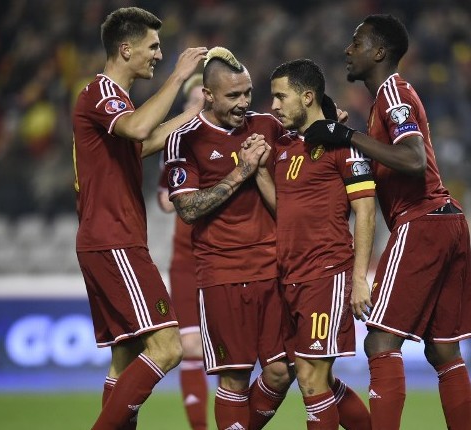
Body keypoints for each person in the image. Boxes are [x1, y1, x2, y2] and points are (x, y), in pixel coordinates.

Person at [304, 14, 471, 429]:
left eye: (356, 42)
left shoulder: (393, 94)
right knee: (442, 351)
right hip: (448, 222)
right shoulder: (391, 98)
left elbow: (413, 160)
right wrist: (350, 137)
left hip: (422, 220)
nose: (348, 50)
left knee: (381, 340)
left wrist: (348, 138)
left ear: (379, 52)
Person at [71, 6, 206, 429]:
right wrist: (180, 77)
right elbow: (137, 130)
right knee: (168, 347)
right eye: (152, 46)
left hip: (109, 238)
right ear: (125, 49)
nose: (159, 54)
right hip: (115, 240)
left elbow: (140, 145)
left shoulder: (116, 102)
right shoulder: (103, 93)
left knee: (125, 359)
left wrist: (193, 116)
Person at [164, 46, 293, 430]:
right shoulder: (184, 140)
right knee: (235, 379)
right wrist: (242, 171)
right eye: (233, 95)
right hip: (221, 273)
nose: (244, 103)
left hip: (273, 269)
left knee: (281, 373)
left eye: (247, 93)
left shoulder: (268, 126)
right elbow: (188, 209)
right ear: (208, 94)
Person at [256, 58, 374, 429]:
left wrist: (358, 279)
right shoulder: (286, 148)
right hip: (289, 276)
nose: (273, 105)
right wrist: (259, 172)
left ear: (307, 97)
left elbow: (366, 212)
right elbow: (286, 209)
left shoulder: (342, 144)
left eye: (280, 96)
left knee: (310, 379)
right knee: (313, 379)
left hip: (327, 274)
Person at [157, 73, 209, 430]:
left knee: (234, 353)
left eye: (203, 100)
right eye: (192, 101)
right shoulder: (176, 144)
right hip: (187, 257)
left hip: (229, 254)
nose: (198, 107)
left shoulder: (240, 139)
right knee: (190, 346)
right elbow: (164, 200)